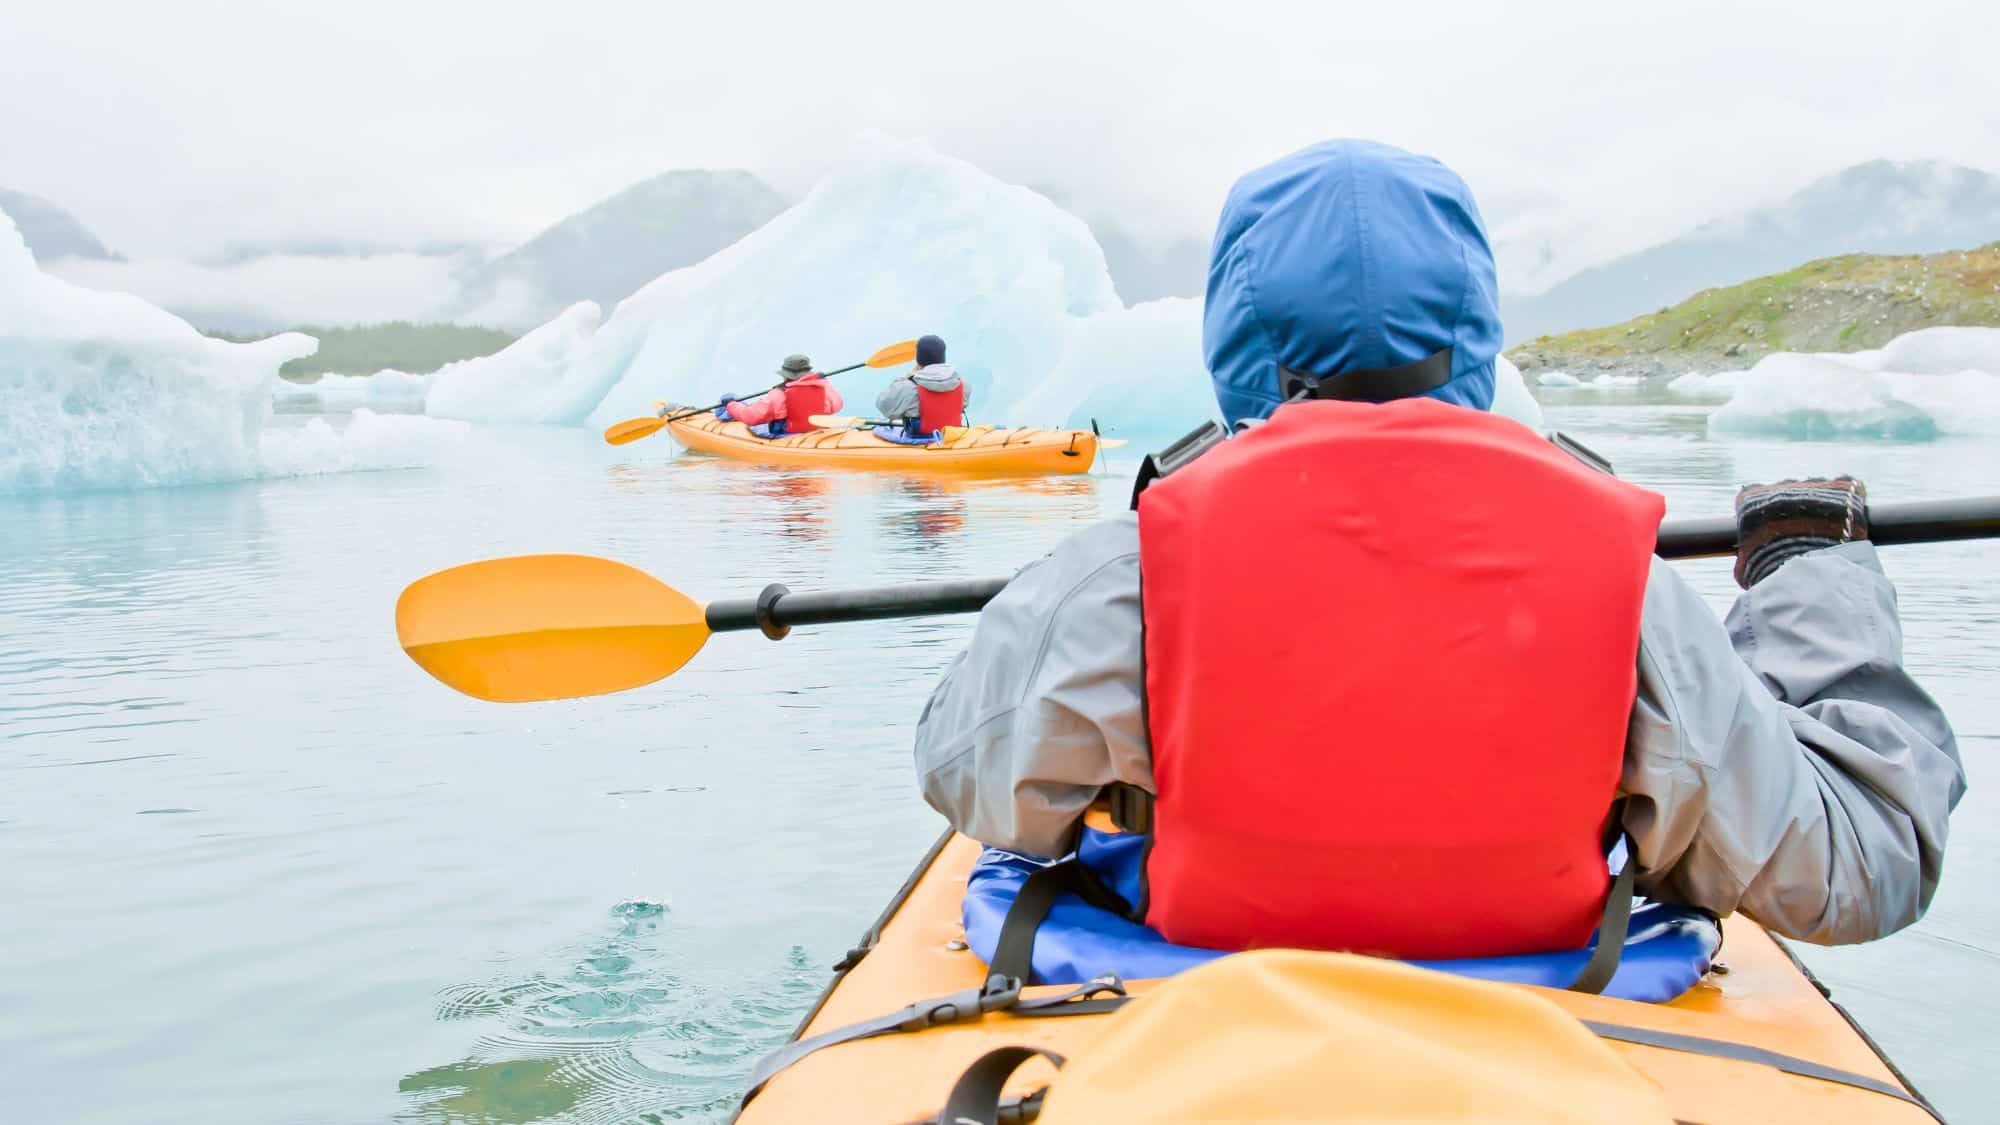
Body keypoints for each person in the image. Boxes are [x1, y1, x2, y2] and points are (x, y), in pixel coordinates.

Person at [912, 139, 1964, 955]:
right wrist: (1805, 573)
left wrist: (1138, 763)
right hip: (1558, 981)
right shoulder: (1622, 592)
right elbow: (1860, 866)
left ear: (1234, 336)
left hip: (1203, 972)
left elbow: (965, 775)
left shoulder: (1126, 571)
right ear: (1472, 327)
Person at [718, 354, 844, 436]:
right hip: (814, 430)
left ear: (786, 375)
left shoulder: (779, 394)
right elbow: (837, 405)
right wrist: (825, 381)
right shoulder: (823, 387)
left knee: (735, 403)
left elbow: (750, 417)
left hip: (786, 434)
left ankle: (724, 412)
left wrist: (731, 405)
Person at [876, 334, 968, 436]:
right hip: (950, 437)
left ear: (918, 359)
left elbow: (883, 406)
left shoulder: (908, 387)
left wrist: (904, 378)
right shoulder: (963, 386)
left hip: (920, 439)